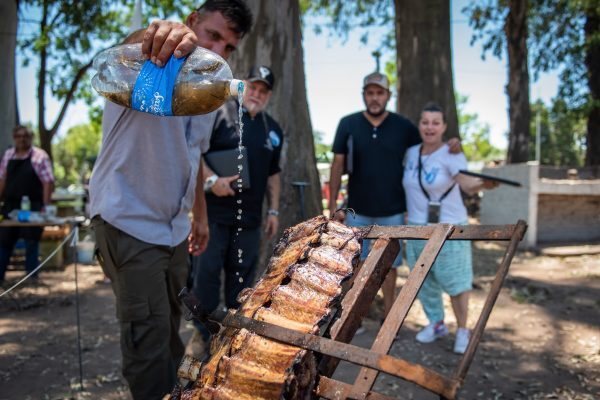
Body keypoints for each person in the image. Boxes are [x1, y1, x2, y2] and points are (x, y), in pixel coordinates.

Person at [89, 1, 253, 399]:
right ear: (192, 22)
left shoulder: (209, 95)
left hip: (174, 230)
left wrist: (198, 215)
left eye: (229, 47)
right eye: (212, 36)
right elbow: (119, 57)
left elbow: (191, 154)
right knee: (146, 341)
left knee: (170, 329)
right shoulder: (149, 64)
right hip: (128, 220)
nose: (217, 52)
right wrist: (154, 36)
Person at [189, 65, 283, 353]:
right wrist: (212, 180)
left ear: (268, 95)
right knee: (205, 278)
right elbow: (194, 154)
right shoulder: (219, 114)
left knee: (241, 281)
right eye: (253, 87)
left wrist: (274, 211)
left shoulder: (273, 130)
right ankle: (203, 336)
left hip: (250, 221)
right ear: (243, 86)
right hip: (213, 216)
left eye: (263, 90)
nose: (257, 94)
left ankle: (232, 338)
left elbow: (274, 174)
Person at [402, 103, 497, 354]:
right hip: (417, 227)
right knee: (424, 280)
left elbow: (466, 184)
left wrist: (483, 184)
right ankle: (437, 323)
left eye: (435, 122)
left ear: (444, 127)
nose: (430, 127)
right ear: (419, 125)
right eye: (425, 122)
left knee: (456, 281)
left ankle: (463, 329)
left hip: (450, 227)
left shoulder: (452, 153)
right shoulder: (411, 153)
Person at [329, 72, 424, 320]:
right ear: (364, 95)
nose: (374, 98)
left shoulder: (404, 127)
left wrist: (452, 145)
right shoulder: (348, 124)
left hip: (393, 210)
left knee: (390, 266)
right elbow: (337, 165)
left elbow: (427, 154)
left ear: (388, 96)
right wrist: (332, 208)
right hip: (357, 212)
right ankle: (355, 315)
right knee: (356, 265)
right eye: (370, 93)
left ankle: (389, 313)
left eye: (379, 93)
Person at [0, 125, 54, 285]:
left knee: (32, 240)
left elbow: (48, 182)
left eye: (25, 136)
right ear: (14, 138)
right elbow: (2, 179)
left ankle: (32, 278)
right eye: (18, 136)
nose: (22, 139)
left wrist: (45, 205)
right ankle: (0, 277)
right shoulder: (9, 155)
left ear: (30, 138)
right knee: (4, 241)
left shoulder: (39, 156)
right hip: (10, 205)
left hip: (32, 205)